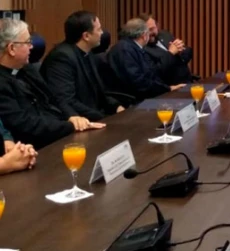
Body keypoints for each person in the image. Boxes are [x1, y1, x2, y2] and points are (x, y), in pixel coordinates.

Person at [0, 18, 105, 149]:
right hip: (38, 146)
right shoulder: (2, 84)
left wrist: (72, 116)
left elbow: (53, 99)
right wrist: (70, 126)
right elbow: (25, 125)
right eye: (27, 42)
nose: (32, 47)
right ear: (11, 48)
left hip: (59, 132)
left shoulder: (28, 69)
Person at [41, 11, 124, 121]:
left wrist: (116, 106)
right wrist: (104, 118)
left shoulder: (88, 53)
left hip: (95, 116)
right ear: (86, 36)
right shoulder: (61, 58)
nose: (102, 33)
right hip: (79, 121)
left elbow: (99, 93)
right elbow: (66, 101)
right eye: (99, 29)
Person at [107, 18, 185, 100]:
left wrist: (167, 88)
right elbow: (140, 82)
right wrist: (168, 89)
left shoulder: (134, 48)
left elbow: (151, 74)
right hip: (133, 100)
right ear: (144, 35)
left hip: (144, 95)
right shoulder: (125, 50)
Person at [138, 13, 195, 85]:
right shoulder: (142, 49)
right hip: (170, 86)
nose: (151, 32)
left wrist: (181, 51)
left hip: (188, 80)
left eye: (153, 28)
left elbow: (188, 52)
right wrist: (170, 53)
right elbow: (155, 72)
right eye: (148, 30)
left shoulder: (165, 35)